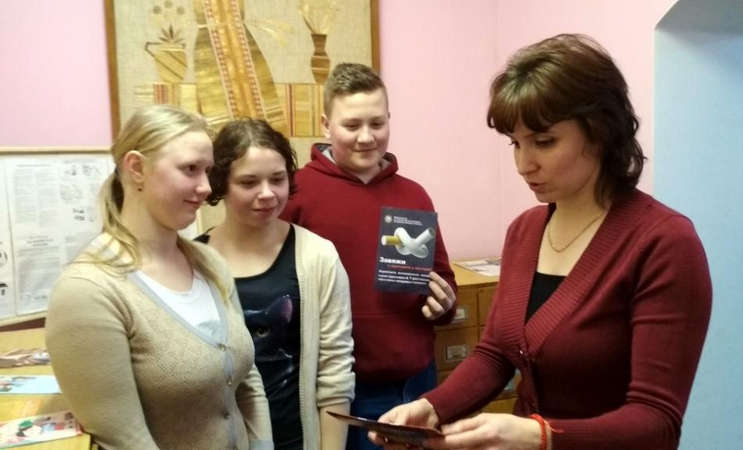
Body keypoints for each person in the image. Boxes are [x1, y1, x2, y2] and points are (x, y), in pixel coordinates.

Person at [373, 33, 712, 450]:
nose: (523, 164)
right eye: (515, 143)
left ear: (601, 133)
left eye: (544, 142)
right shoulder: (525, 231)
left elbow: (656, 422)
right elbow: (496, 353)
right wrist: (431, 408)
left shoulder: (664, 243)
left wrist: (540, 435)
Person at [45, 105, 272, 450]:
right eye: (190, 169)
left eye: (208, 171)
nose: (205, 187)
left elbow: (247, 379)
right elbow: (124, 437)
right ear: (136, 168)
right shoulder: (88, 291)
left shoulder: (210, 263)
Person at [280, 62, 458, 450]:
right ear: (326, 124)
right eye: (352, 125)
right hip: (343, 391)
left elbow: (443, 281)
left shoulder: (413, 194)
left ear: (389, 119)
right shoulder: (294, 194)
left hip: (419, 383)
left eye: (377, 123)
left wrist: (444, 304)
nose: (366, 137)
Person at [196, 118, 355, 450]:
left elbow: (335, 372)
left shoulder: (318, 256)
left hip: (297, 439)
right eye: (249, 182)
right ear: (221, 183)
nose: (267, 193)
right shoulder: (192, 260)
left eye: (278, 179)